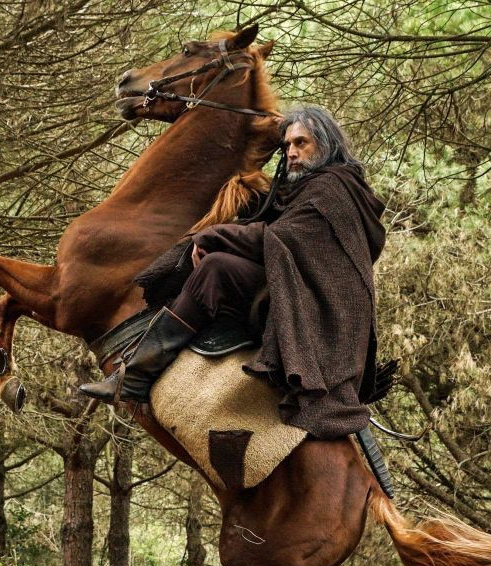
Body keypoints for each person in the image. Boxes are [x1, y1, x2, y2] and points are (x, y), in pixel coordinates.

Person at [80, 105, 387, 441]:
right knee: (218, 265)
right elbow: (274, 229)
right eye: (287, 146)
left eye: (302, 143)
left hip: (317, 315)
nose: (292, 153)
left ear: (326, 144)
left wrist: (211, 236)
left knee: (215, 268)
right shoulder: (317, 188)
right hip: (299, 292)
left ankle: (135, 376)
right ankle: (142, 371)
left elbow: (281, 237)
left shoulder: (332, 189)